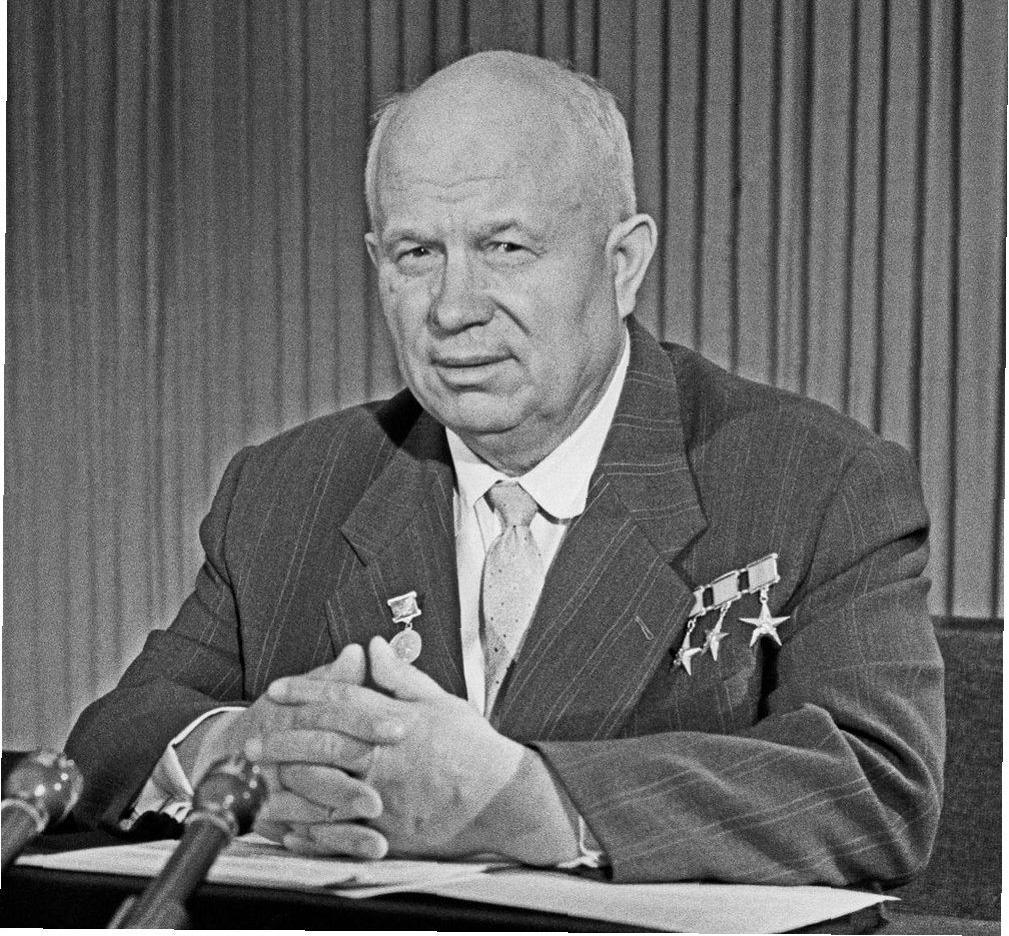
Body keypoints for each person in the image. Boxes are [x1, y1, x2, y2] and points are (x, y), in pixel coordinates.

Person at [65, 50, 943, 886]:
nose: (453, 308)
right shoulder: (286, 491)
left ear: (622, 264)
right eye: (417, 254)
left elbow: (874, 785)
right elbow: (109, 743)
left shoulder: (815, 481)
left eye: (505, 248)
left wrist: (523, 800)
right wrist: (249, 751)